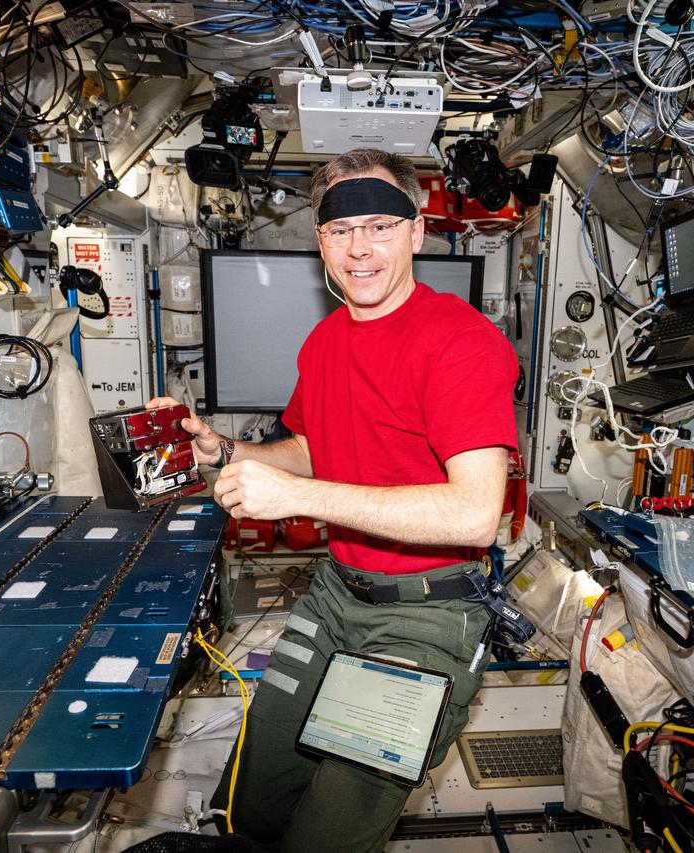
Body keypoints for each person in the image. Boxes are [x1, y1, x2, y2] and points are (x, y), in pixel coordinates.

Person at [146, 148, 518, 852]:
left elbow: (475, 510)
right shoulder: (325, 340)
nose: (360, 249)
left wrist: (297, 494)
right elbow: (314, 450)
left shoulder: (461, 342)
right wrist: (226, 452)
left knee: (326, 836)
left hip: (426, 617)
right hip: (335, 596)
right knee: (250, 806)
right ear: (320, 240)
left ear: (417, 231)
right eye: (340, 231)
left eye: (379, 225)